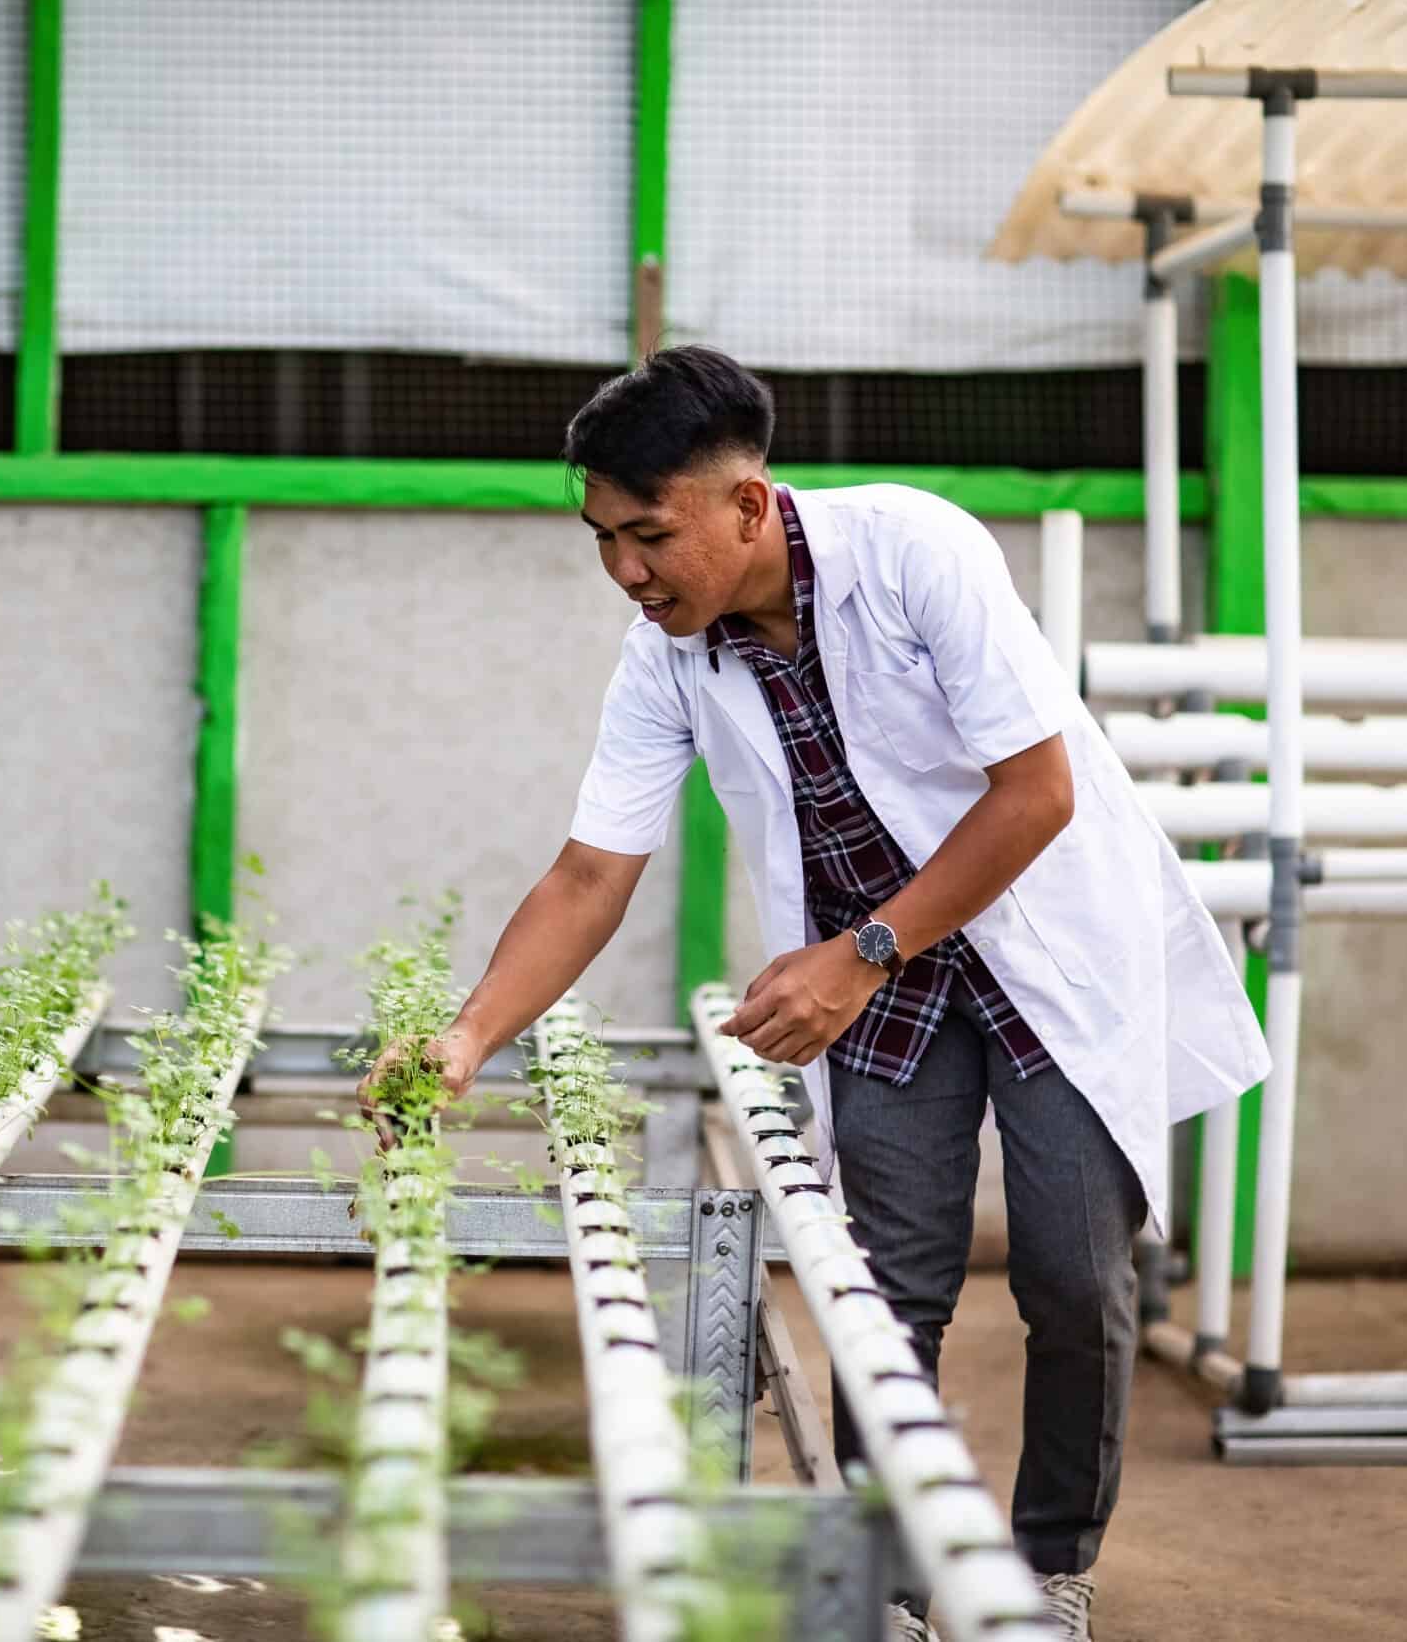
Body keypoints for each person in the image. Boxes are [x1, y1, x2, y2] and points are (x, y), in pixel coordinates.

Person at [359, 346, 1266, 1642]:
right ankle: (882, 1585)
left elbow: (1038, 795)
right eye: (602, 537)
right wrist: (464, 1038)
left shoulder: (914, 553)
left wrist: (863, 952)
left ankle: (1050, 1572)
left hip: (1039, 954)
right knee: (881, 1290)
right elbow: (589, 872)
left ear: (746, 502)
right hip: (884, 991)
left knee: (1074, 1276)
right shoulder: (665, 656)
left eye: (649, 533)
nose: (626, 569)